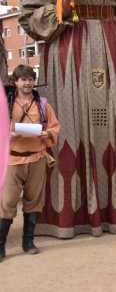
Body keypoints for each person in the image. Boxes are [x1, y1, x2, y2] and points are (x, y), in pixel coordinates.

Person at [19, 0, 116, 238]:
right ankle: (69, 217)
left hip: (113, 50)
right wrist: (61, 7)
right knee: (68, 132)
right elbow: (28, 18)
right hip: (68, 47)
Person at [0, 65, 60, 262]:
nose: (27, 83)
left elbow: (54, 127)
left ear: (34, 82)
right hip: (13, 159)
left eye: (30, 79)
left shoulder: (42, 104)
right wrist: (9, 135)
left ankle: (28, 241)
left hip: (37, 158)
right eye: (22, 79)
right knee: (7, 202)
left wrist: (47, 133)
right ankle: (0, 246)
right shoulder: (6, 104)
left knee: (34, 201)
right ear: (15, 82)